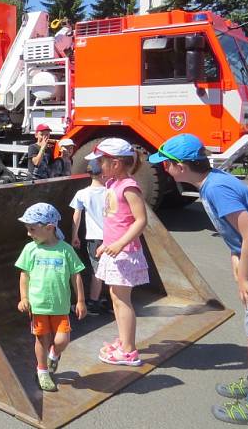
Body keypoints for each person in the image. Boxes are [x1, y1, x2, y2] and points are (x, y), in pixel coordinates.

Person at [152, 133, 248, 426]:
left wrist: (244, 277)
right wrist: (236, 259)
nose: (164, 169)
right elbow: (238, 237)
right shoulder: (212, 182)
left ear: (180, 166)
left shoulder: (217, 189)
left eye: (166, 164)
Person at [84, 137, 149, 367]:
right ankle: (123, 341)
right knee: (116, 297)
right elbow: (114, 220)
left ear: (116, 164)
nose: (97, 166)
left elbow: (140, 221)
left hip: (124, 253)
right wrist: (106, 243)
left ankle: (129, 351)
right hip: (114, 251)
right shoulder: (112, 184)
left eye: (101, 162)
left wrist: (120, 243)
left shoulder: (129, 187)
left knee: (123, 300)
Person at [15, 202, 86, 392]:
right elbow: (24, 275)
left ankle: (54, 354)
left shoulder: (66, 250)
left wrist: (80, 300)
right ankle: (43, 371)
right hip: (38, 306)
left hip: (60, 306)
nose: (28, 233)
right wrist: (24, 298)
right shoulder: (30, 250)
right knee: (41, 340)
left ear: (49, 228)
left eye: (32, 228)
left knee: (62, 340)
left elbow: (76, 275)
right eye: (27, 229)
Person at [70, 158, 109, 315]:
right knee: (110, 269)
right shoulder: (110, 192)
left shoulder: (82, 194)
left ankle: (93, 302)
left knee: (96, 270)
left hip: (94, 238)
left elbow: (76, 216)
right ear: (103, 173)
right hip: (112, 237)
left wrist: (74, 236)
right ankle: (109, 299)